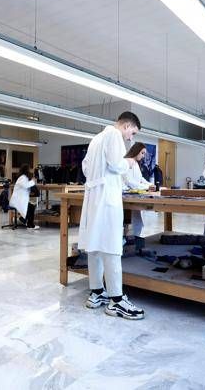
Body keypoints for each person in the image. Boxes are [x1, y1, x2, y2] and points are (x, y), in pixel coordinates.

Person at [80, 111, 145, 320]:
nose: (131, 138)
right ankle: (117, 300)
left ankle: (96, 293)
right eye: (132, 133)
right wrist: (130, 162)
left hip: (93, 198)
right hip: (107, 198)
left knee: (95, 246)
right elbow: (117, 165)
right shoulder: (115, 135)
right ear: (126, 126)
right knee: (112, 246)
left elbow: (85, 167)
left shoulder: (96, 138)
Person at [122, 142, 155, 250]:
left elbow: (140, 179)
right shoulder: (127, 162)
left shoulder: (136, 163)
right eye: (142, 153)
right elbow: (130, 181)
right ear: (136, 151)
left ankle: (135, 240)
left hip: (133, 193)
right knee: (133, 219)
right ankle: (130, 241)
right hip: (125, 194)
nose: (143, 156)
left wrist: (150, 184)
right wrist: (145, 187)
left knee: (138, 219)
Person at [9, 164, 39, 229]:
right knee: (31, 206)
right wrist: (33, 181)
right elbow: (26, 185)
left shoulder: (23, 177)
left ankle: (26, 221)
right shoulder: (22, 177)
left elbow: (25, 187)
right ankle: (27, 222)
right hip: (18, 200)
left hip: (20, 199)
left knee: (31, 206)